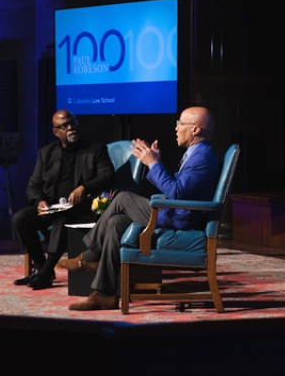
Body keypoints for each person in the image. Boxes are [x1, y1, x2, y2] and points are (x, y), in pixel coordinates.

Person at [57, 106, 220, 310]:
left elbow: (177, 193)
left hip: (181, 219)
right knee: (117, 223)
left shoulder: (202, 157)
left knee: (123, 198)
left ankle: (90, 255)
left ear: (195, 130)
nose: (176, 128)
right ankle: (104, 294)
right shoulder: (198, 153)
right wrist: (157, 162)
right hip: (177, 212)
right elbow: (180, 189)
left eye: (180, 124)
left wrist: (153, 164)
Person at [11, 110, 115, 290]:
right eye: (63, 126)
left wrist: (84, 187)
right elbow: (33, 185)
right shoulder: (46, 153)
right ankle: (43, 266)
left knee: (63, 220)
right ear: (55, 132)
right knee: (20, 218)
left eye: (72, 123)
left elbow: (108, 176)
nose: (70, 128)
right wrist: (39, 202)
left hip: (80, 207)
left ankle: (44, 272)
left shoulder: (95, 149)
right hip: (51, 206)